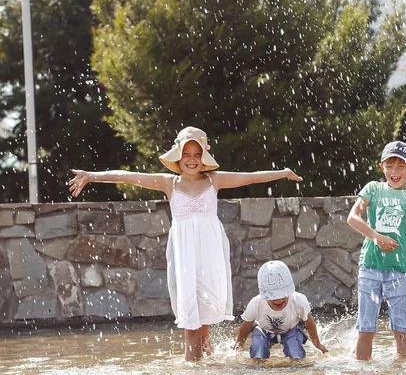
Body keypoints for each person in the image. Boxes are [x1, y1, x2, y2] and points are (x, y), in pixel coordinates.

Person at [68, 126, 302, 362]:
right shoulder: (169, 183)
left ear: (204, 157)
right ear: (178, 156)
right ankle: (191, 365)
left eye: (197, 154)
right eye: (186, 154)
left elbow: (250, 176)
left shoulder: (214, 180)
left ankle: (209, 360)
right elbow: (125, 176)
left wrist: (283, 173)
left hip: (209, 254)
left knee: (205, 316)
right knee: (192, 320)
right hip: (185, 256)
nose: (191, 160)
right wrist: (91, 176)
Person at [346, 141, 406, 360]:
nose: (395, 171)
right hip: (370, 268)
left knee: (402, 331)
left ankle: (404, 369)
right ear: (381, 167)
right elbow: (352, 218)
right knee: (366, 330)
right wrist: (376, 236)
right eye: (390, 165)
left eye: (401, 166)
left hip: (400, 272)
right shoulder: (373, 189)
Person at [233, 260, 328, 359]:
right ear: (264, 295)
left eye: (283, 295)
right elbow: (246, 327)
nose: (278, 300)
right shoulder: (256, 303)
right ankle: (259, 367)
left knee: (295, 351)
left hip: (292, 329)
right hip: (264, 330)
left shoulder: (298, 300)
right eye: (273, 296)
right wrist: (239, 344)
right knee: (258, 348)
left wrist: (317, 344)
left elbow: (309, 324)